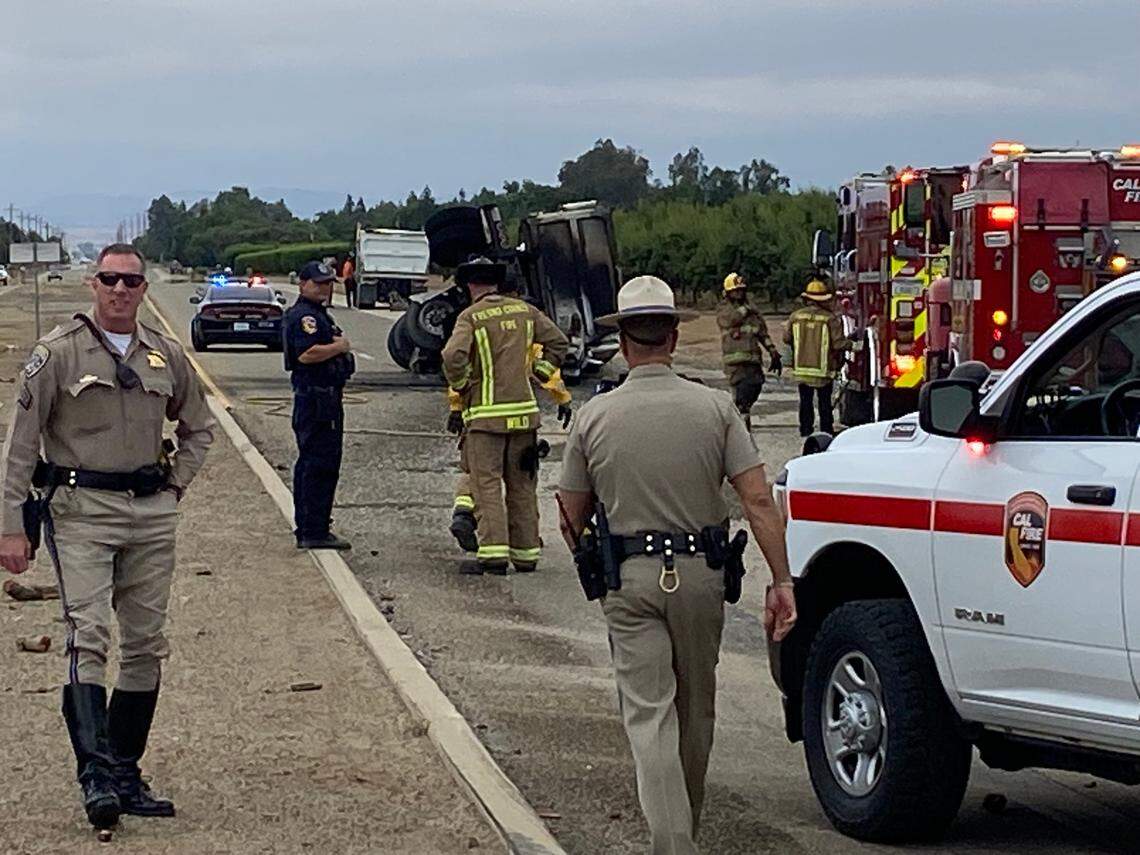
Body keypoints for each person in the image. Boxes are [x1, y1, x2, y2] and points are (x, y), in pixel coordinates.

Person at [556, 275, 796, 855]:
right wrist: (782, 580)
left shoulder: (594, 416)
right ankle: (682, 833)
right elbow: (759, 499)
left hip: (630, 578)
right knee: (695, 712)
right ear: (671, 336)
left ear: (624, 342)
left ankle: (673, 842)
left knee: (649, 715)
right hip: (701, 576)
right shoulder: (715, 408)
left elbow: (571, 514)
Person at [0, 243, 215, 828]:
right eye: (110, 279)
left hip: (150, 510)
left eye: (131, 281)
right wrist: (10, 526)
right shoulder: (57, 354)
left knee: (145, 644)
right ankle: (94, 775)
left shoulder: (164, 354)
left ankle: (124, 769)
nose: (120, 290)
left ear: (144, 289)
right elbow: (20, 446)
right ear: (94, 285)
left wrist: (175, 488)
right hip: (80, 510)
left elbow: (199, 428)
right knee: (86, 636)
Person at [441, 257, 568, 574]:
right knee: (522, 487)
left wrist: (463, 385)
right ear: (497, 282)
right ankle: (526, 556)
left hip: (486, 420)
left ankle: (494, 556)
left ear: (470, 285)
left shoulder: (470, 317)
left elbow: (451, 356)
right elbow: (559, 342)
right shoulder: (525, 311)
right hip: (525, 417)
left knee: (486, 486)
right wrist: (539, 371)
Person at [448, 342, 573, 552]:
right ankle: (525, 544)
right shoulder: (523, 327)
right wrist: (562, 398)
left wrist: (456, 406)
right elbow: (542, 366)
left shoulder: (474, 325)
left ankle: (465, 514)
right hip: (519, 421)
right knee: (521, 484)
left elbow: (458, 366)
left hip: (481, 420)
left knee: (478, 474)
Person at [282, 260, 355, 550]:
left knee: (321, 463)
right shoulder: (304, 317)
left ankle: (315, 524)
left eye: (328, 283)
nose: (324, 288)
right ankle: (313, 530)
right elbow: (307, 354)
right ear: (302, 284)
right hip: (316, 398)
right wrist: (340, 347)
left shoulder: (318, 314)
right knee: (318, 464)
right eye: (318, 283)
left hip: (325, 396)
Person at [784, 279, 851, 437]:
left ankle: (805, 429)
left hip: (802, 369)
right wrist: (855, 345)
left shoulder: (795, 317)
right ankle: (826, 430)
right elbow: (838, 343)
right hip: (823, 371)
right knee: (824, 403)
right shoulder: (830, 318)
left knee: (805, 402)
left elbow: (787, 338)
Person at [717, 272, 781, 430]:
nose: (739, 293)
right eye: (735, 291)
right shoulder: (724, 309)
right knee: (741, 399)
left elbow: (762, 332)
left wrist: (772, 351)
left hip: (753, 361)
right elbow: (730, 320)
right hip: (735, 364)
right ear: (728, 293)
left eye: (741, 290)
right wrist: (746, 310)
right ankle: (740, 429)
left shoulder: (753, 313)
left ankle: (741, 422)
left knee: (755, 387)